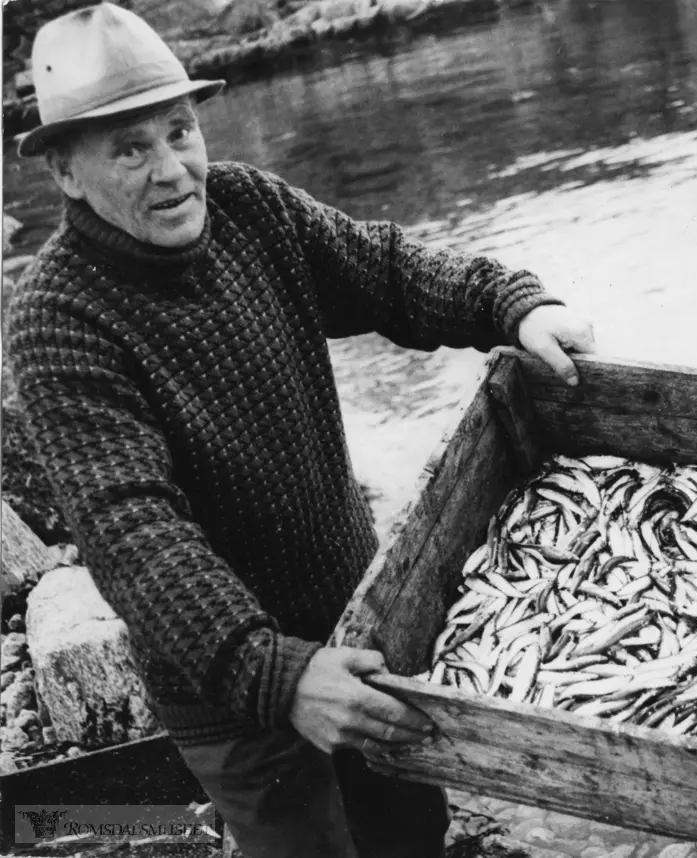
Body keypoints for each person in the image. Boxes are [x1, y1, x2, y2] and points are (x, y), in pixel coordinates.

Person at [5, 4, 595, 857]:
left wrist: (514, 304)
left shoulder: (251, 209)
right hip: (233, 693)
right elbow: (133, 530)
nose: (172, 170)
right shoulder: (60, 319)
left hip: (358, 622)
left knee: (409, 833)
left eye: (179, 130)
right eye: (129, 148)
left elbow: (388, 270)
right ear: (63, 169)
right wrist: (275, 674)